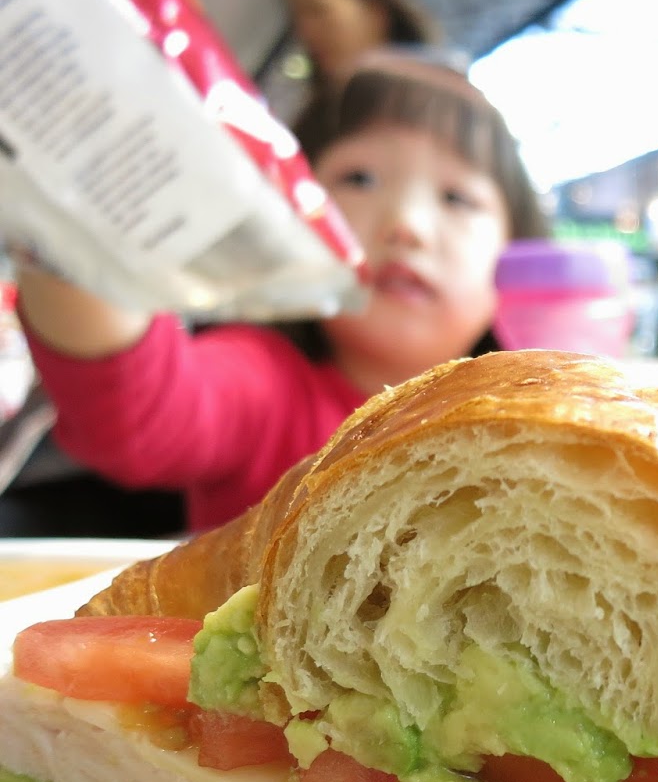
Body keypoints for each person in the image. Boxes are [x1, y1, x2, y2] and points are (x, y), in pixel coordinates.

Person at [15, 49, 545, 532]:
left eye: (457, 198)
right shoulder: (267, 385)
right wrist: (66, 233)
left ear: (518, 259)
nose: (406, 224)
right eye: (358, 179)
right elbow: (140, 410)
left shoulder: (530, 424)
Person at [281, 0, 443, 150]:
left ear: (376, 11)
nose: (305, 32)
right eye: (297, 18)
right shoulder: (320, 118)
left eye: (318, 10)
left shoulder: (429, 111)